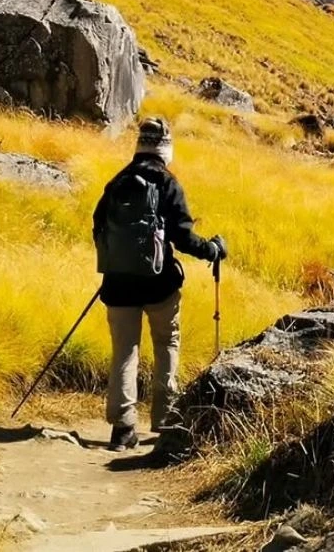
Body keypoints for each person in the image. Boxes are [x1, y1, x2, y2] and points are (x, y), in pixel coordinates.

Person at [92, 118, 227, 452]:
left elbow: (98, 226)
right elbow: (182, 237)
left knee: (125, 351)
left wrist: (117, 260)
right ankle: (165, 419)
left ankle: (122, 430)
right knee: (167, 342)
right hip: (159, 284)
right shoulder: (168, 183)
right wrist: (212, 249)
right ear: (165, 148)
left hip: (118, 285)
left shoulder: (118, 181)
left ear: (139, 145)